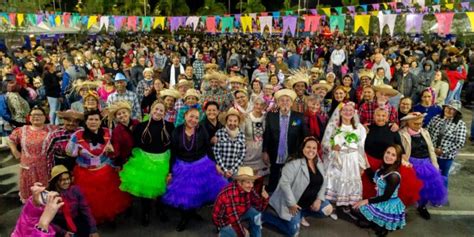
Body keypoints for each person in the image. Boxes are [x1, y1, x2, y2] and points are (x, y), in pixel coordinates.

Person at [162, 108, 228, 231]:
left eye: (197, 118)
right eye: (191, 116)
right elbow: (173, 153)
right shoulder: (177, 131)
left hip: (201, 165)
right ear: (185, 115)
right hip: (183, 167)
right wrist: (170, 172)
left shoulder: (201, 129)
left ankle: (192, 213)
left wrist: (216, 164)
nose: (193, 120)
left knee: (198, 192)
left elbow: (208, 149)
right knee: (184, 194)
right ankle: (184, 218)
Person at [66, 110, 131, 223]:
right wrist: (78, 151)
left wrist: (112, 151)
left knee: (107, 198)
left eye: (96, 119)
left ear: (100, 122)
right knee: (88, 199)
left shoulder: (108, 133)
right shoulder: (77, 135)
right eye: (90, 119)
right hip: (84, 173)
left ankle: (108, 217)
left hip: (105, 171)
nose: (93, 122)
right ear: (85, 121)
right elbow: (69, 151)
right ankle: (91, 219)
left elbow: (117, 149)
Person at [263, 137, 333, 236]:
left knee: (327, 209)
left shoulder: (318, 161)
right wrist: (291, 203)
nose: (311, 151)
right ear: (302, 148)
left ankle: (302, 214)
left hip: (309, 201)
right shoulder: (294, 162)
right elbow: (284, 183)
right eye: (308, 147)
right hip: (294, 203)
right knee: (293, 233)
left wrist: (319, 199)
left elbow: (324, 181)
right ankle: (266, 216)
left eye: (314, 148)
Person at [119, 100, 174, 226]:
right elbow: (135, 144)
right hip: (144, 161)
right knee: (145, 189)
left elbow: (172, 146)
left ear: (164, 113)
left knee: (161, 188)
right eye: (156, 109)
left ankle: (160, 209)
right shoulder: (141, 126)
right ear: (151, 110)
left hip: (162, 161)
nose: (158, 112)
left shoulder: (170, 126)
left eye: (161, 110)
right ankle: (146, 212)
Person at [361, 108, 422, 206]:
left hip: (388, 164)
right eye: (378, 115)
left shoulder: (393, 130)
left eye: (383, 115)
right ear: (374, 116)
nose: (380, 118)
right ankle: (371, 207)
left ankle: (384, 208)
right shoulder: (367, 129)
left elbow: (400, 149)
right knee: (370, 188)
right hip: (368, 163)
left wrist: (405, 162)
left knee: (386, 190)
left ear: (387, 117)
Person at [399, 112, 448, 220]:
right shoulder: (402, 134)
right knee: (408, 189)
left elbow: (431, 149)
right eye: (415, 124)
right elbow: (400, 153)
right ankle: (403, 209)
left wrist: (435, 165)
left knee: (427, 188)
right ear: (408, 123)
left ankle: (422, 207)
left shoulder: (425, 132)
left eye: (420, 123)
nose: (419, 126)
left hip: (426, 165)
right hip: (411, 165)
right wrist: (406, 164)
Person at [322, 102, 368, 209]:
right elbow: (324, 143)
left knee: (350, 181)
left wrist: (362, 164)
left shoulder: (359, 128)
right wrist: (332, 147)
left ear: (354, 112)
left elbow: (361, 147)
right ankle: (332, 206)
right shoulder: (333, 126)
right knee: (335, 180)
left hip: (352, 159)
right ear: (340, 112)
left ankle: (347, 205)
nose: (348, 112)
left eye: (350, 110)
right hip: (337, 158)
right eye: (345, 110)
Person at [353, 145, 407, 237]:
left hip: (389, 205)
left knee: (358, 210)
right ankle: (374, 223)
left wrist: (365, 201)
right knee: (354, 209)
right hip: (380, 200)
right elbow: (373, 179)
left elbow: (386, 197)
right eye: (388, 152)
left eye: (393, 155)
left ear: (397, 159)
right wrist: (366, 163)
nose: (389, 156)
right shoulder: (383, 168)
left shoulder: (394, 176)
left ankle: (379, 225)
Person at [263, 89, 307, 193]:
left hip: (292, 152)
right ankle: (271, 196)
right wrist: (264, 151)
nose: (285, 103)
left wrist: (301, 153)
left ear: (292, 103)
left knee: (290, 177)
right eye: (282, 100)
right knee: (274, 175)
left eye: (288, 100)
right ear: (277, 103)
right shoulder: (271, 115)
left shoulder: (298, 116)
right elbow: (267, 134)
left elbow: (304, 134)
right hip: (274, 151)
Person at [8, 106, 55, 202]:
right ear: (29, 118)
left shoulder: (52, 129)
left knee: (44, 196)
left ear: (45, 117)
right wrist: (15, 151)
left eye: (39, 115)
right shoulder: (21, 130)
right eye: (33, 115)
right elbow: (10, 140)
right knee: (29, 196)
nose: (36, 117)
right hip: (27, 169)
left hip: (45, 168)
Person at [212, 166, 269, 237]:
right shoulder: (231, 195)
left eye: (252, 182)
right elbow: (234, 221)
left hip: (239, 212)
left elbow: (259, 208)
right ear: (239, 182)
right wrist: (243, 233)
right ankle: (222, 233)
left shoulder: (249, 188)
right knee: (236, 234)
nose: (251, 185)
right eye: (248, 182)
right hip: (224, 219)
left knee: (257, 215)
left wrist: (265, 199)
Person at [47, 165, 99, 237]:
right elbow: (49, 221)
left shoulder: (75, 190)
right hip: (60, 227)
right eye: (62, 180)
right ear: (56, 181)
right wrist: (63, 232)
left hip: (77, 222)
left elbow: (85, 210)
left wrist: (93, 229)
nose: (67, 182)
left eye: (68, 178)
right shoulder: (50, 196)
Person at [427, 100, 467, 188]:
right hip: (431, 154)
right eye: (448, 108)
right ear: (444, 108)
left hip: (446, 157)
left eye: (453, 109)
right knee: (430, 175)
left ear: (457, 112)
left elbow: (460, 143)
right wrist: (431, 148)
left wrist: (443, 151)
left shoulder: (460, 125)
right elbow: (427, 133)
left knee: (443, 177)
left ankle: (441, 196)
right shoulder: (436, 118)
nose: (449, 110)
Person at [214, 108, 246, 178]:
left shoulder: (241, 135)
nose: (232, 123)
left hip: (234, 172)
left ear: (238, 122)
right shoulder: (220, 133)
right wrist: (224, 170)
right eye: (230, 120)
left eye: (235, 121)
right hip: (221, 170)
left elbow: (242, 155)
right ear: (226, 121)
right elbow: (216, 153)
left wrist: (232, 170)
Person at [106, 101, 140, 167]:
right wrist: (112, 153)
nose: (122, 115)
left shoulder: (137, 123)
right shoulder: (116, 131)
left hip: (140, 157)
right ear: (116, 118)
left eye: (124, 112)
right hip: (126, 161)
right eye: (119, 114)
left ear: (129, 113)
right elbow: (116, 148)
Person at [243, 97, 268, 176]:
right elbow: (241, 135)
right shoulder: (246, 117)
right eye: (256, 104)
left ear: (264, 106)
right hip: (248, 153)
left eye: (261, 105)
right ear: (253, 104)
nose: (259, 106)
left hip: (261, 152)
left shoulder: (266, 118)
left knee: (259, 177)